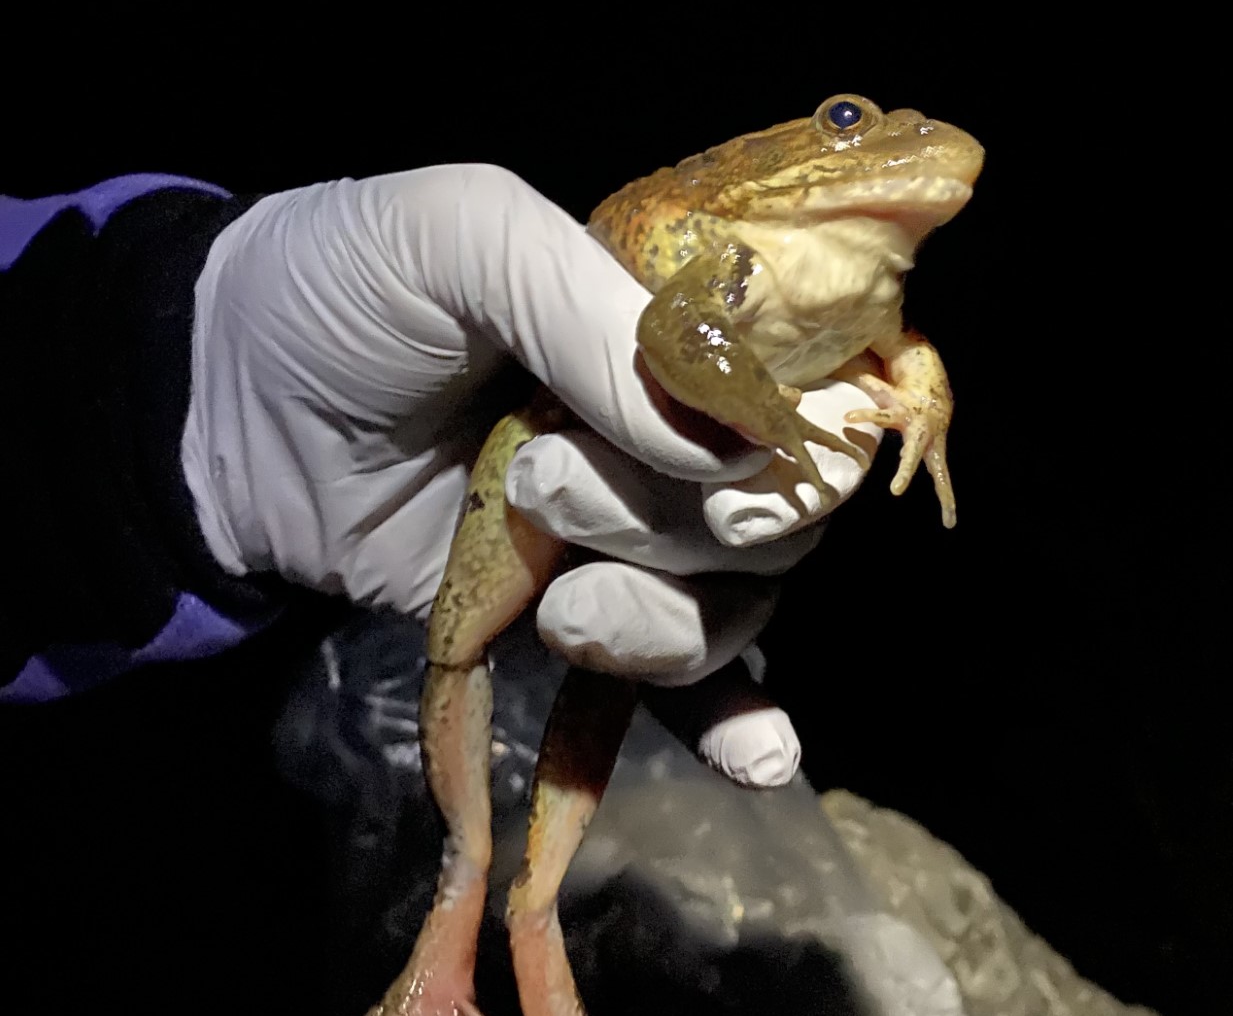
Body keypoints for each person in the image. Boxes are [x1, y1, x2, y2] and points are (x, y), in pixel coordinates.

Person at [0, 164, 880, 786]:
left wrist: (124, 420)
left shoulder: (862, 281)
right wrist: (168, 377)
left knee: (629, 636)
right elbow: (681, 334)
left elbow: (901, 365)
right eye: (847, 121)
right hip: (548, 420)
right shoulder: (748, 227)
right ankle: (478, 906)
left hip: (564, 457)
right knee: (475, 652)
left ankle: (519, 929)